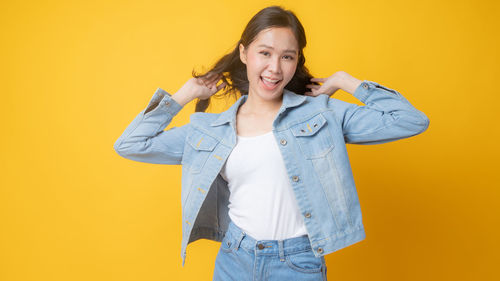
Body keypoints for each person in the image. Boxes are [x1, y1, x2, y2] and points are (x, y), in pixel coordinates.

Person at [113, 5, 429, 281]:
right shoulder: (210, 131)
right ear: (243, 53)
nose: (275, 68)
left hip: (298, 262)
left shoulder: (321, 114)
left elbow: (410, 120)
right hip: (235, 259)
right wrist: (184, 94)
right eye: (264, 53)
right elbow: (130, 144)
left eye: (287, 57)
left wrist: (345, 81)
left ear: (296, 62)